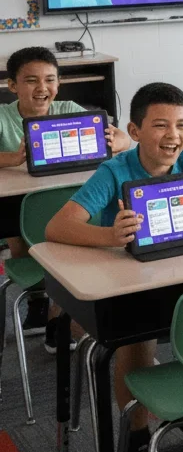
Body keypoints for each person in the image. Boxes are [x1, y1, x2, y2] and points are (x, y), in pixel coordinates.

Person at [46, 83, 183, 452]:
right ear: (134, 132)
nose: (174, 135)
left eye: (181, 125)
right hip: (134, 280)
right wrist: (110, 236)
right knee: (136, 342)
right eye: (161, 125)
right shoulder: (114, 172)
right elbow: (57, 227)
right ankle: (135, 430)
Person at [0, 46, 130, 346]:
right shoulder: (4, 117)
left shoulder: (69, 109)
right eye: (31, 80)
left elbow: (121, 138)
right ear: (12, 85)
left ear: (58, 84)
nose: (42, 88)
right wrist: (11, 158)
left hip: (68, 201)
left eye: (50, 80)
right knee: (20, 236)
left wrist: (116, 141)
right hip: (21, 205)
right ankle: (36, 303)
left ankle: (59, 319)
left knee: (80, 240)